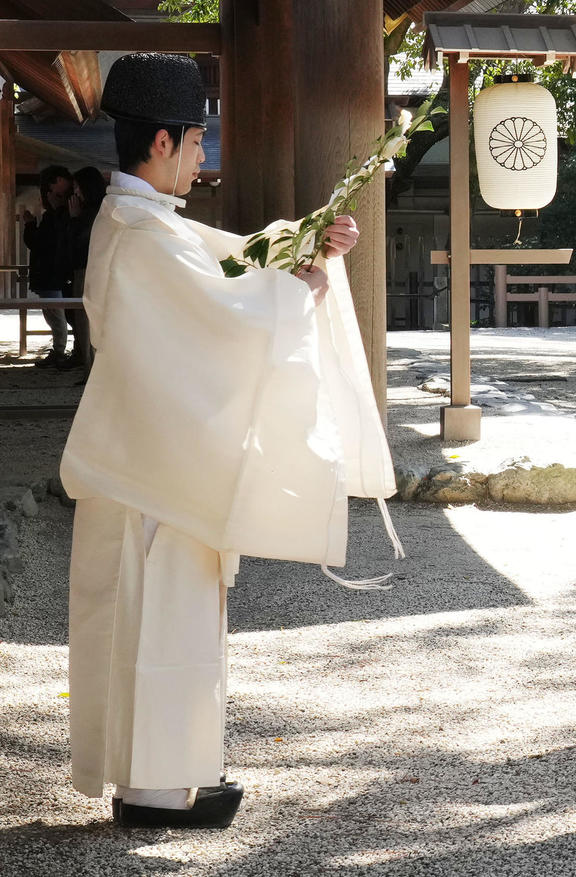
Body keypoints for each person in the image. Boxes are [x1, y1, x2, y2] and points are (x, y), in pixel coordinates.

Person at [63, 52, 399, 829]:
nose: (202, 156)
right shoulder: (142, 237)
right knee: (161, 621)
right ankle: (154, 790)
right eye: (195, 140)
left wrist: (305, 245)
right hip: (156, 476)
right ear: (161, 145)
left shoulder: (141, 226)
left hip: (154, 465)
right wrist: (303, 288)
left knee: (160, 624)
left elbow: (227, 262)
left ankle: (170, 776)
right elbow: (223, 317)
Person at [20, 165, 73, 367]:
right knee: (53, 313)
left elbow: (39, 243)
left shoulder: (58, 215)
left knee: (56, 314)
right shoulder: (56, 215)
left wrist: (30, 225)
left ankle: (60, 350)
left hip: (52, 272)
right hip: (50, 272)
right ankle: (59, 350)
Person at [66, 167, 108, 370]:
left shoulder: (92, 213)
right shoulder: (100, 209)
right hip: (91, 269)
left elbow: (79, 244)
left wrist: (74, 218)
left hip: (87, 269)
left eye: (77, 187)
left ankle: (90, 369)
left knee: (85, 322)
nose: (76, 192)